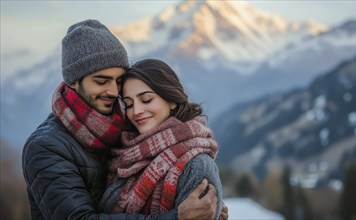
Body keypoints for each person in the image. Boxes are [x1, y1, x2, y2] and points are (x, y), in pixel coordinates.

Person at [22, 19, 226, 220]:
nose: (112, 91)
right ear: (73, 81)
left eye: (118, 81)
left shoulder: (128, 136)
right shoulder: (46, 146)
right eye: (101, 81)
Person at [99, 58, 224, 220]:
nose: (136, 111)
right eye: (129, 104)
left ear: (171, 100)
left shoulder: (197, 165)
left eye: (146, 100)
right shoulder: (125, 156)